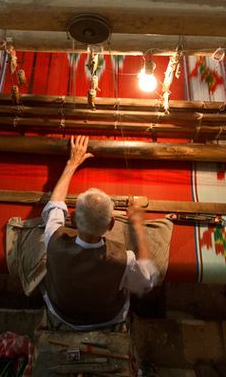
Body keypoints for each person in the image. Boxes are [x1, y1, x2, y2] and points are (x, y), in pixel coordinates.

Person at [42, 135, 159, 330]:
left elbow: (55, 205)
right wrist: (137, 224)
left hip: (61, 312)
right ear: (111, 224)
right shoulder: (124, 259)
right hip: (107, 317)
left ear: (72, 220)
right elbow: (147, 281)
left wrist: (72, 163)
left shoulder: (53, 239)